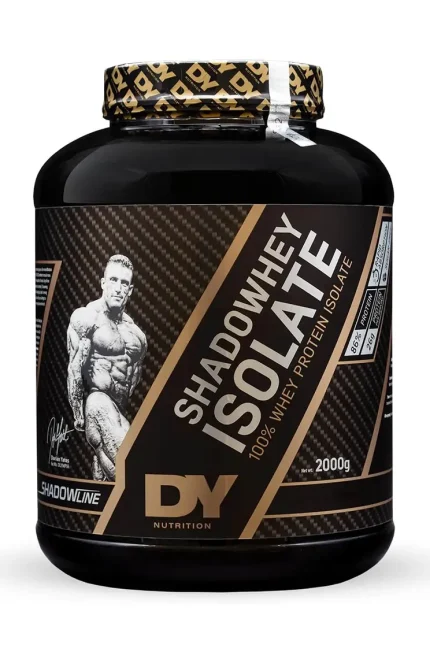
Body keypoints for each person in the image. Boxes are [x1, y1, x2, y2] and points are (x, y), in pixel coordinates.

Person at [67, 255, 147, 480]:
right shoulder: (86, 318)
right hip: (97, 402)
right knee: (131, 467)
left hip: (118, 410)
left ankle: (99, 477)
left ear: (130, 290)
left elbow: (133, 377)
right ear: (103, 283)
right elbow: (74, 368)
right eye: (113, 280)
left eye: (124, 283)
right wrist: (78, 413)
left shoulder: (136, 334)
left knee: (112, 479)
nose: (118, 288)